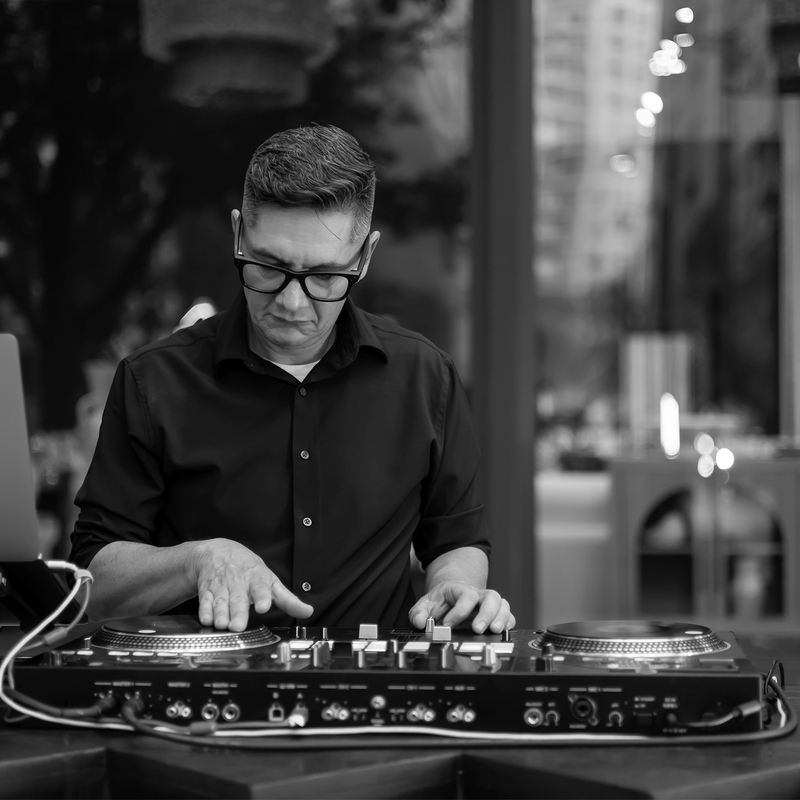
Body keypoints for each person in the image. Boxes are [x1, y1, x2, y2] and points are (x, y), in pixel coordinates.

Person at [69, 125, 515, 635]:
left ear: (365, 257)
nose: (291, 302)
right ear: (239, 234)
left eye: (324, 276)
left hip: (371, 680)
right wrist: (197, 561)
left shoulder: (425, 376)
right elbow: (92, 583)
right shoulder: (152, 381)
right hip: (209, 678)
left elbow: (456, 540)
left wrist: (455, 587)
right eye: (268, 266)